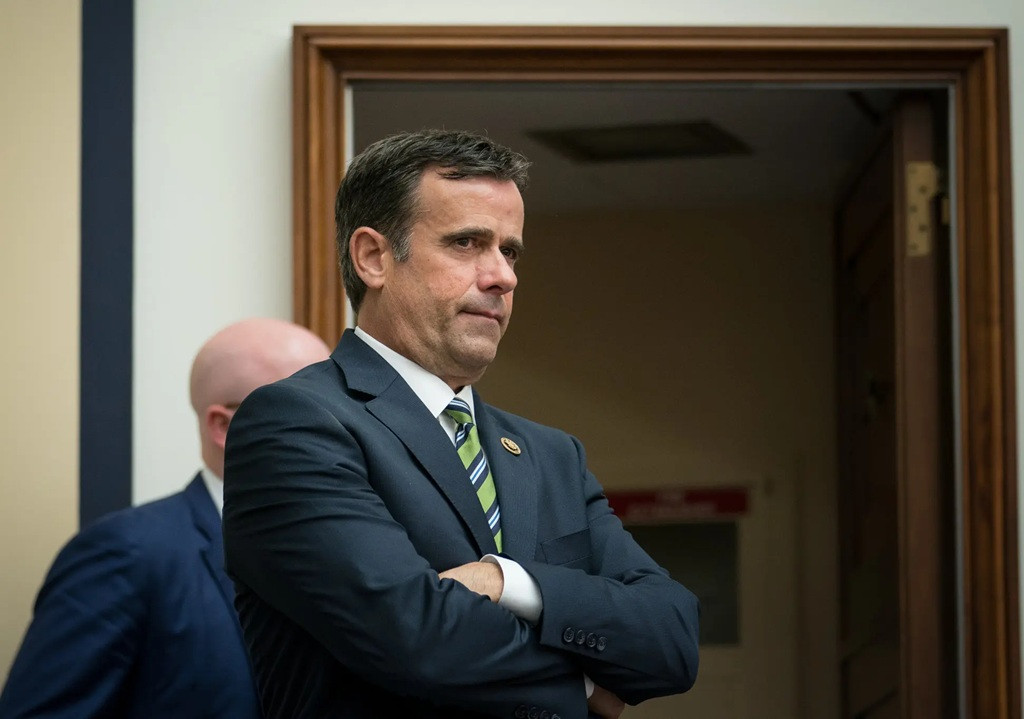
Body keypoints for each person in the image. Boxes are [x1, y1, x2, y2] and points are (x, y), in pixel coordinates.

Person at [222, 130, 700, 719]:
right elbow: (415, 637)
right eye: (467, 243)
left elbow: (674, 639)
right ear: (373, 257)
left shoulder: (552, 455)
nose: (503, 276)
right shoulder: (297, 423)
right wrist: (582, 684)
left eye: (510, 251)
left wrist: (509, 582)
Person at [0, 318, 331, 718]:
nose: (340, 428)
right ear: (224, 426)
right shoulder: (126, 555)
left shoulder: (352, 543)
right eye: (312, 408)